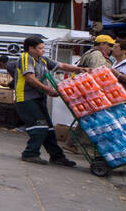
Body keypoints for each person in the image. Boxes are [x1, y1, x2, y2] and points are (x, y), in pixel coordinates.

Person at [14, 35, 85, 165]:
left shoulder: (42, 59)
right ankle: (30, 153)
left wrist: (81, 69)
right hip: (26, 98)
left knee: (49, 129)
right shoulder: (25, 58)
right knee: (39, 126)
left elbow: (61, 65)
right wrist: (48, 90)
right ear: (31, 48)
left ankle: (57, 156)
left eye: (43, 48)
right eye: (40, 48)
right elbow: (30, 78)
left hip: (39, 97)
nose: (43, 50)